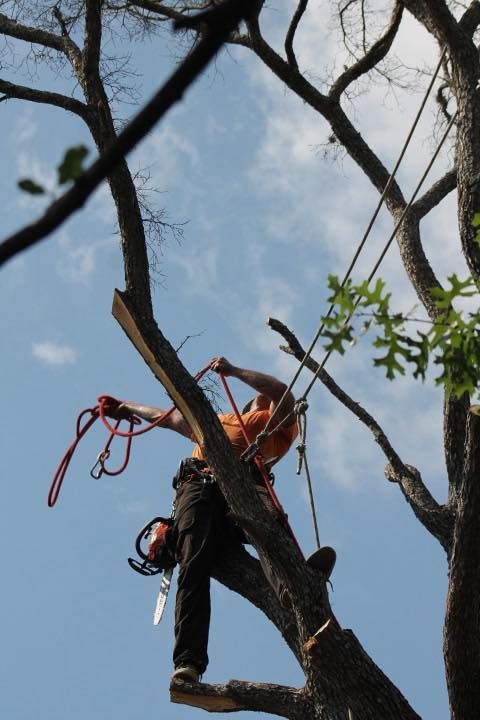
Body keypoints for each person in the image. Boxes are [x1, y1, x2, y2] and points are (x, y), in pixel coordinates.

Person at [113, 357, 299, 684]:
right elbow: (169, 418)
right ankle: (188, 662)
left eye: (263, 395)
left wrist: (235, 371)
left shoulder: (276, 427)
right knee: (193, 563)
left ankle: (291, 585)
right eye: (257, 396)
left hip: (246, 485)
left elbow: (282, 393)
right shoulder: (218, 422)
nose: (261, 396)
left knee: (269, 524)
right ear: (246, 406)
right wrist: (126, 407)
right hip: (199, 485)